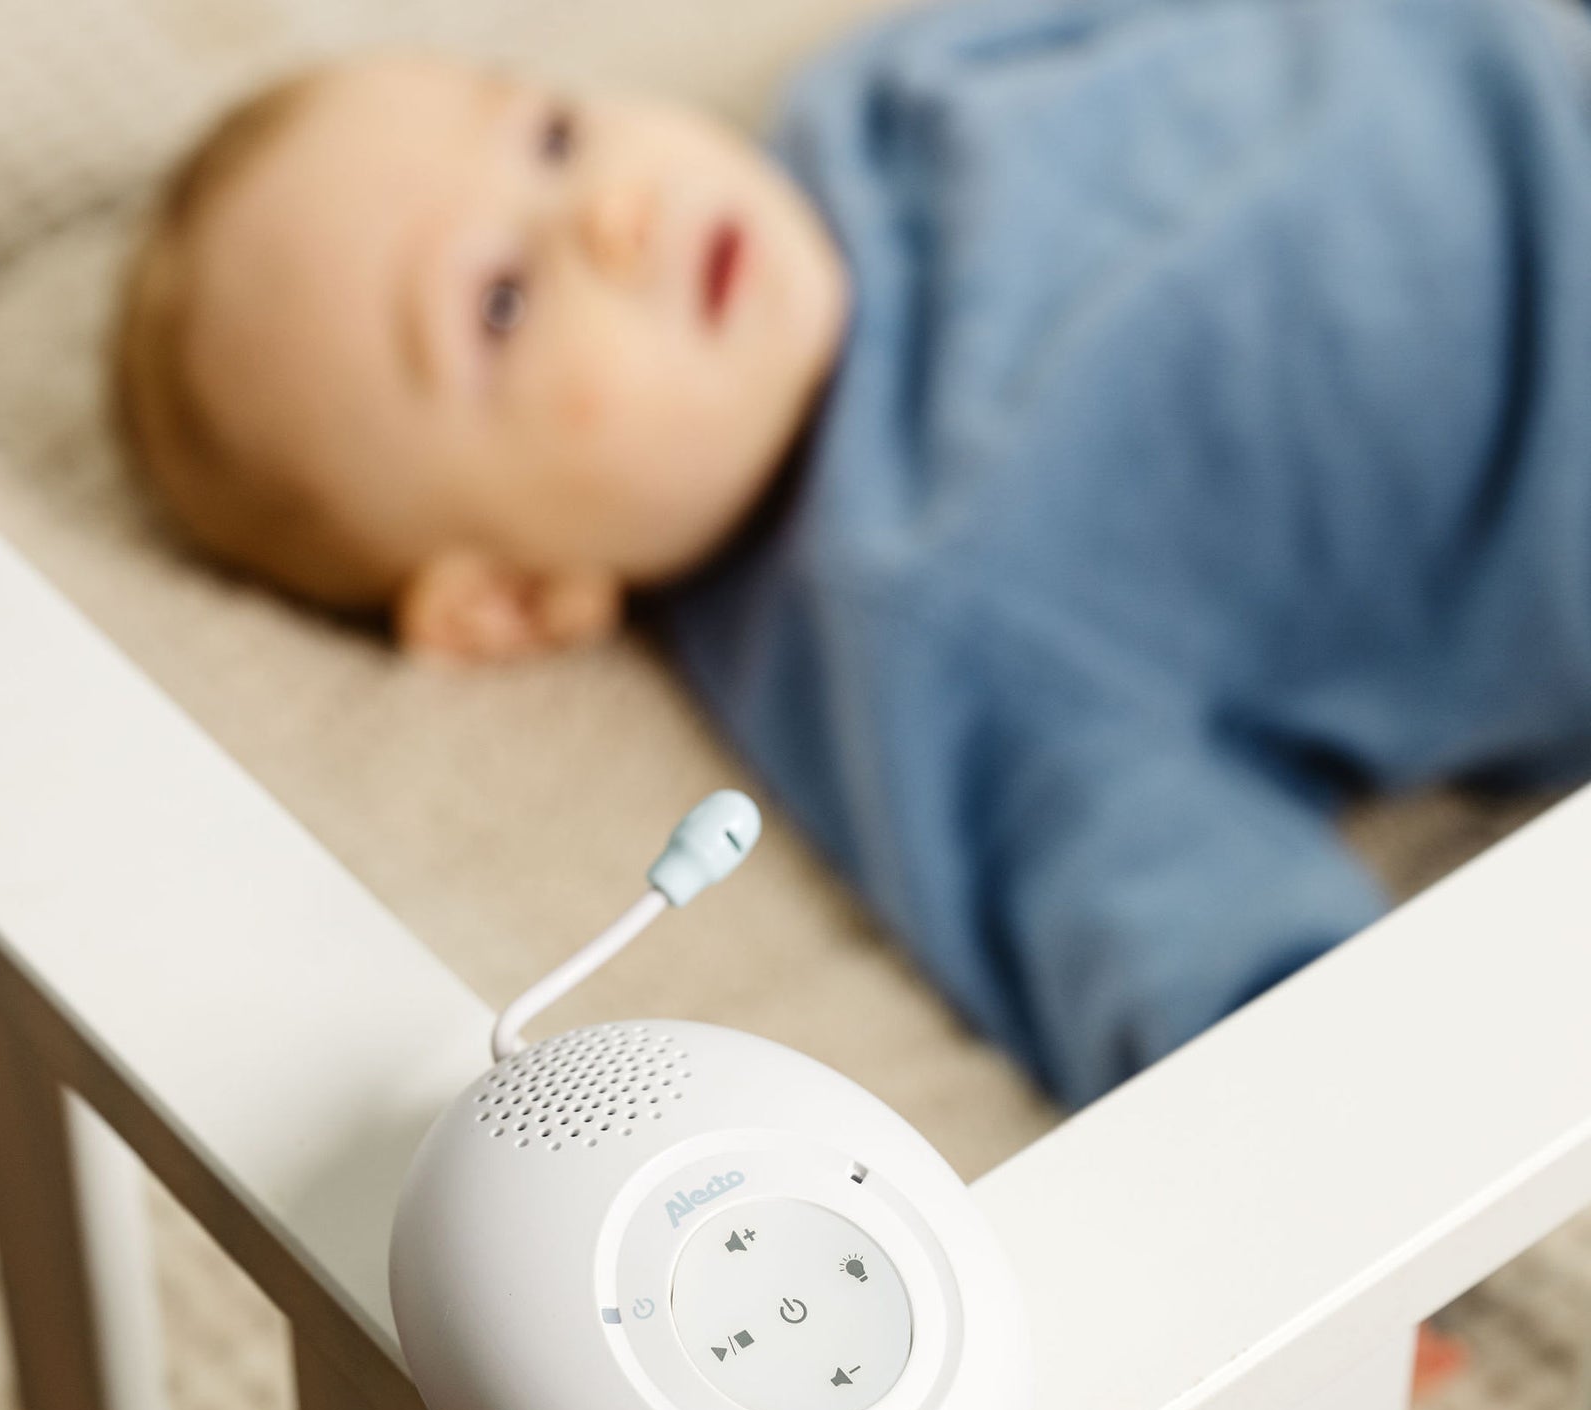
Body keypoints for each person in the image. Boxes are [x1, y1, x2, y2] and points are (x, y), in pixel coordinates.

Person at [113, 0, 1591, 1115]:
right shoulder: (918, 615)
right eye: (501, 301)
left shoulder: (872, 96)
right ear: (512, 596)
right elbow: (1161, 907)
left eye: (551, 135)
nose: (613, 210)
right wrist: (1324, 1153)